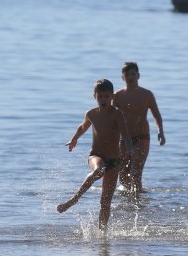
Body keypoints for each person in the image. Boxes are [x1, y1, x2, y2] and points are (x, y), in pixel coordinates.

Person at [57, 78, 132, 229]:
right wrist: (74, 139)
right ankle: (74, 199)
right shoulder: (91, 114)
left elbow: (125, 134)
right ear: (94, 96)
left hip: (114, 160)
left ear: (112, 97)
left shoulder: (117, 114)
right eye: (100, 96)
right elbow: (82, 127)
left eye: (106, 96)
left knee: (105, 203)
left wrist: (130, 148)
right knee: (99, 169)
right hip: (96, 155)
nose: (103, 100)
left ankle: (102, 234)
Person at [113, 62, 164, 194]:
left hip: (142, 138)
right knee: (123, 175)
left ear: (138, 76)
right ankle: (128, 203)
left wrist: (160, 132)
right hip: (123, 139)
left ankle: (138, 202)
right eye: (127, 74)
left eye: (133, 74)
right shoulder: (118, 96)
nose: (130, 77)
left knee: (136, 172)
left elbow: (156, 115)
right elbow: (112, 118)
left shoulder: (147, 94)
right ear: (122, 78)